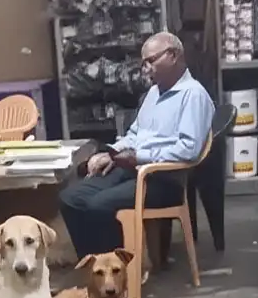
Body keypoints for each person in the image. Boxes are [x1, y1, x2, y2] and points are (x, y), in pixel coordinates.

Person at [59, 32, 215, 259]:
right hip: (134, 170)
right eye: (143, 64)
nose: (146, 69)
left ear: (173, 56)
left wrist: (140, 156)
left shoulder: (193, 95)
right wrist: (111, 153)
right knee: (71, 198)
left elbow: (189, 149)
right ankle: (94, 266)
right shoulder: (153, 93)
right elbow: (135, 133)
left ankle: (117, 270)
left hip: (163, 179)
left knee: (99, 205)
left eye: (151, 61)